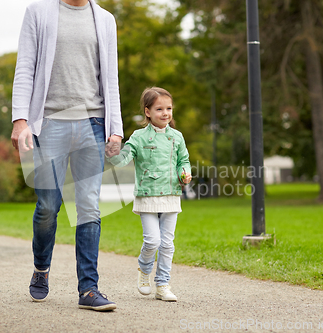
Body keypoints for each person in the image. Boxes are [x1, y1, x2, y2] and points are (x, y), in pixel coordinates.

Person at [10, 0, 123, 311]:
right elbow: (25, 67)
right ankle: (41, 267)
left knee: (89, 205)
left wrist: (116, 128)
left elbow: (110, 77)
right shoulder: (39, 13)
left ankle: (89, 289)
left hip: (93, 123)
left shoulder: (105, 19)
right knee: (48, 205)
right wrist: (20, 120)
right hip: (49, 122)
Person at [106, 87, 191, 302]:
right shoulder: (139, 137)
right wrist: (113, 151)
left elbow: (184, 161)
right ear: (147, 112)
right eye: (159, 108)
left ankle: (163, 284)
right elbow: (123, 158)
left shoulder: (177, 137)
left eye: (169, 108)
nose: (165, 113)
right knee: (153, 241)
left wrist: (185, 173)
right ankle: (144, 270)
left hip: (171, 194)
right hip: (147, 195)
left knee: (167, 243)